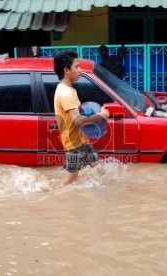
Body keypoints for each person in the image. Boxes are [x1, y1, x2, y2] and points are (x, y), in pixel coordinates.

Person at [53, 50, 110, 189]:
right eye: (77, 67)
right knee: (70, 178)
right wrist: (101, 116)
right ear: (66, 70)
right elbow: (77, 120)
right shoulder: (66, 93)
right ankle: (53, 197)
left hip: (80, 140)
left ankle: (108, 190)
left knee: (97, 167)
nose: (80, 70)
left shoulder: (66, 89)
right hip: (74, 144)